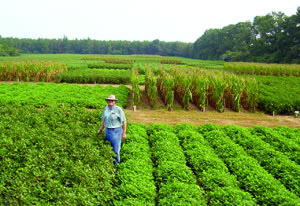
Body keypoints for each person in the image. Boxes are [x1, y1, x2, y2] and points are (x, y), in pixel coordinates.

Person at [98, 94, 126, 165]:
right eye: (109, 100)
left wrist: (124, 133)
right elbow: (104, 120)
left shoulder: (118, 109)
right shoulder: (106, 108)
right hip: (107, 131)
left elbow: (124, 121)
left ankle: (116, 165)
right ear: (107, 101)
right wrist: (100, 129)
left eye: (112, 100)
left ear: (114, 102)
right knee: (108, 148)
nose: (110, 102)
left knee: (115, 150)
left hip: (116, 131)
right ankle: (109, 164)